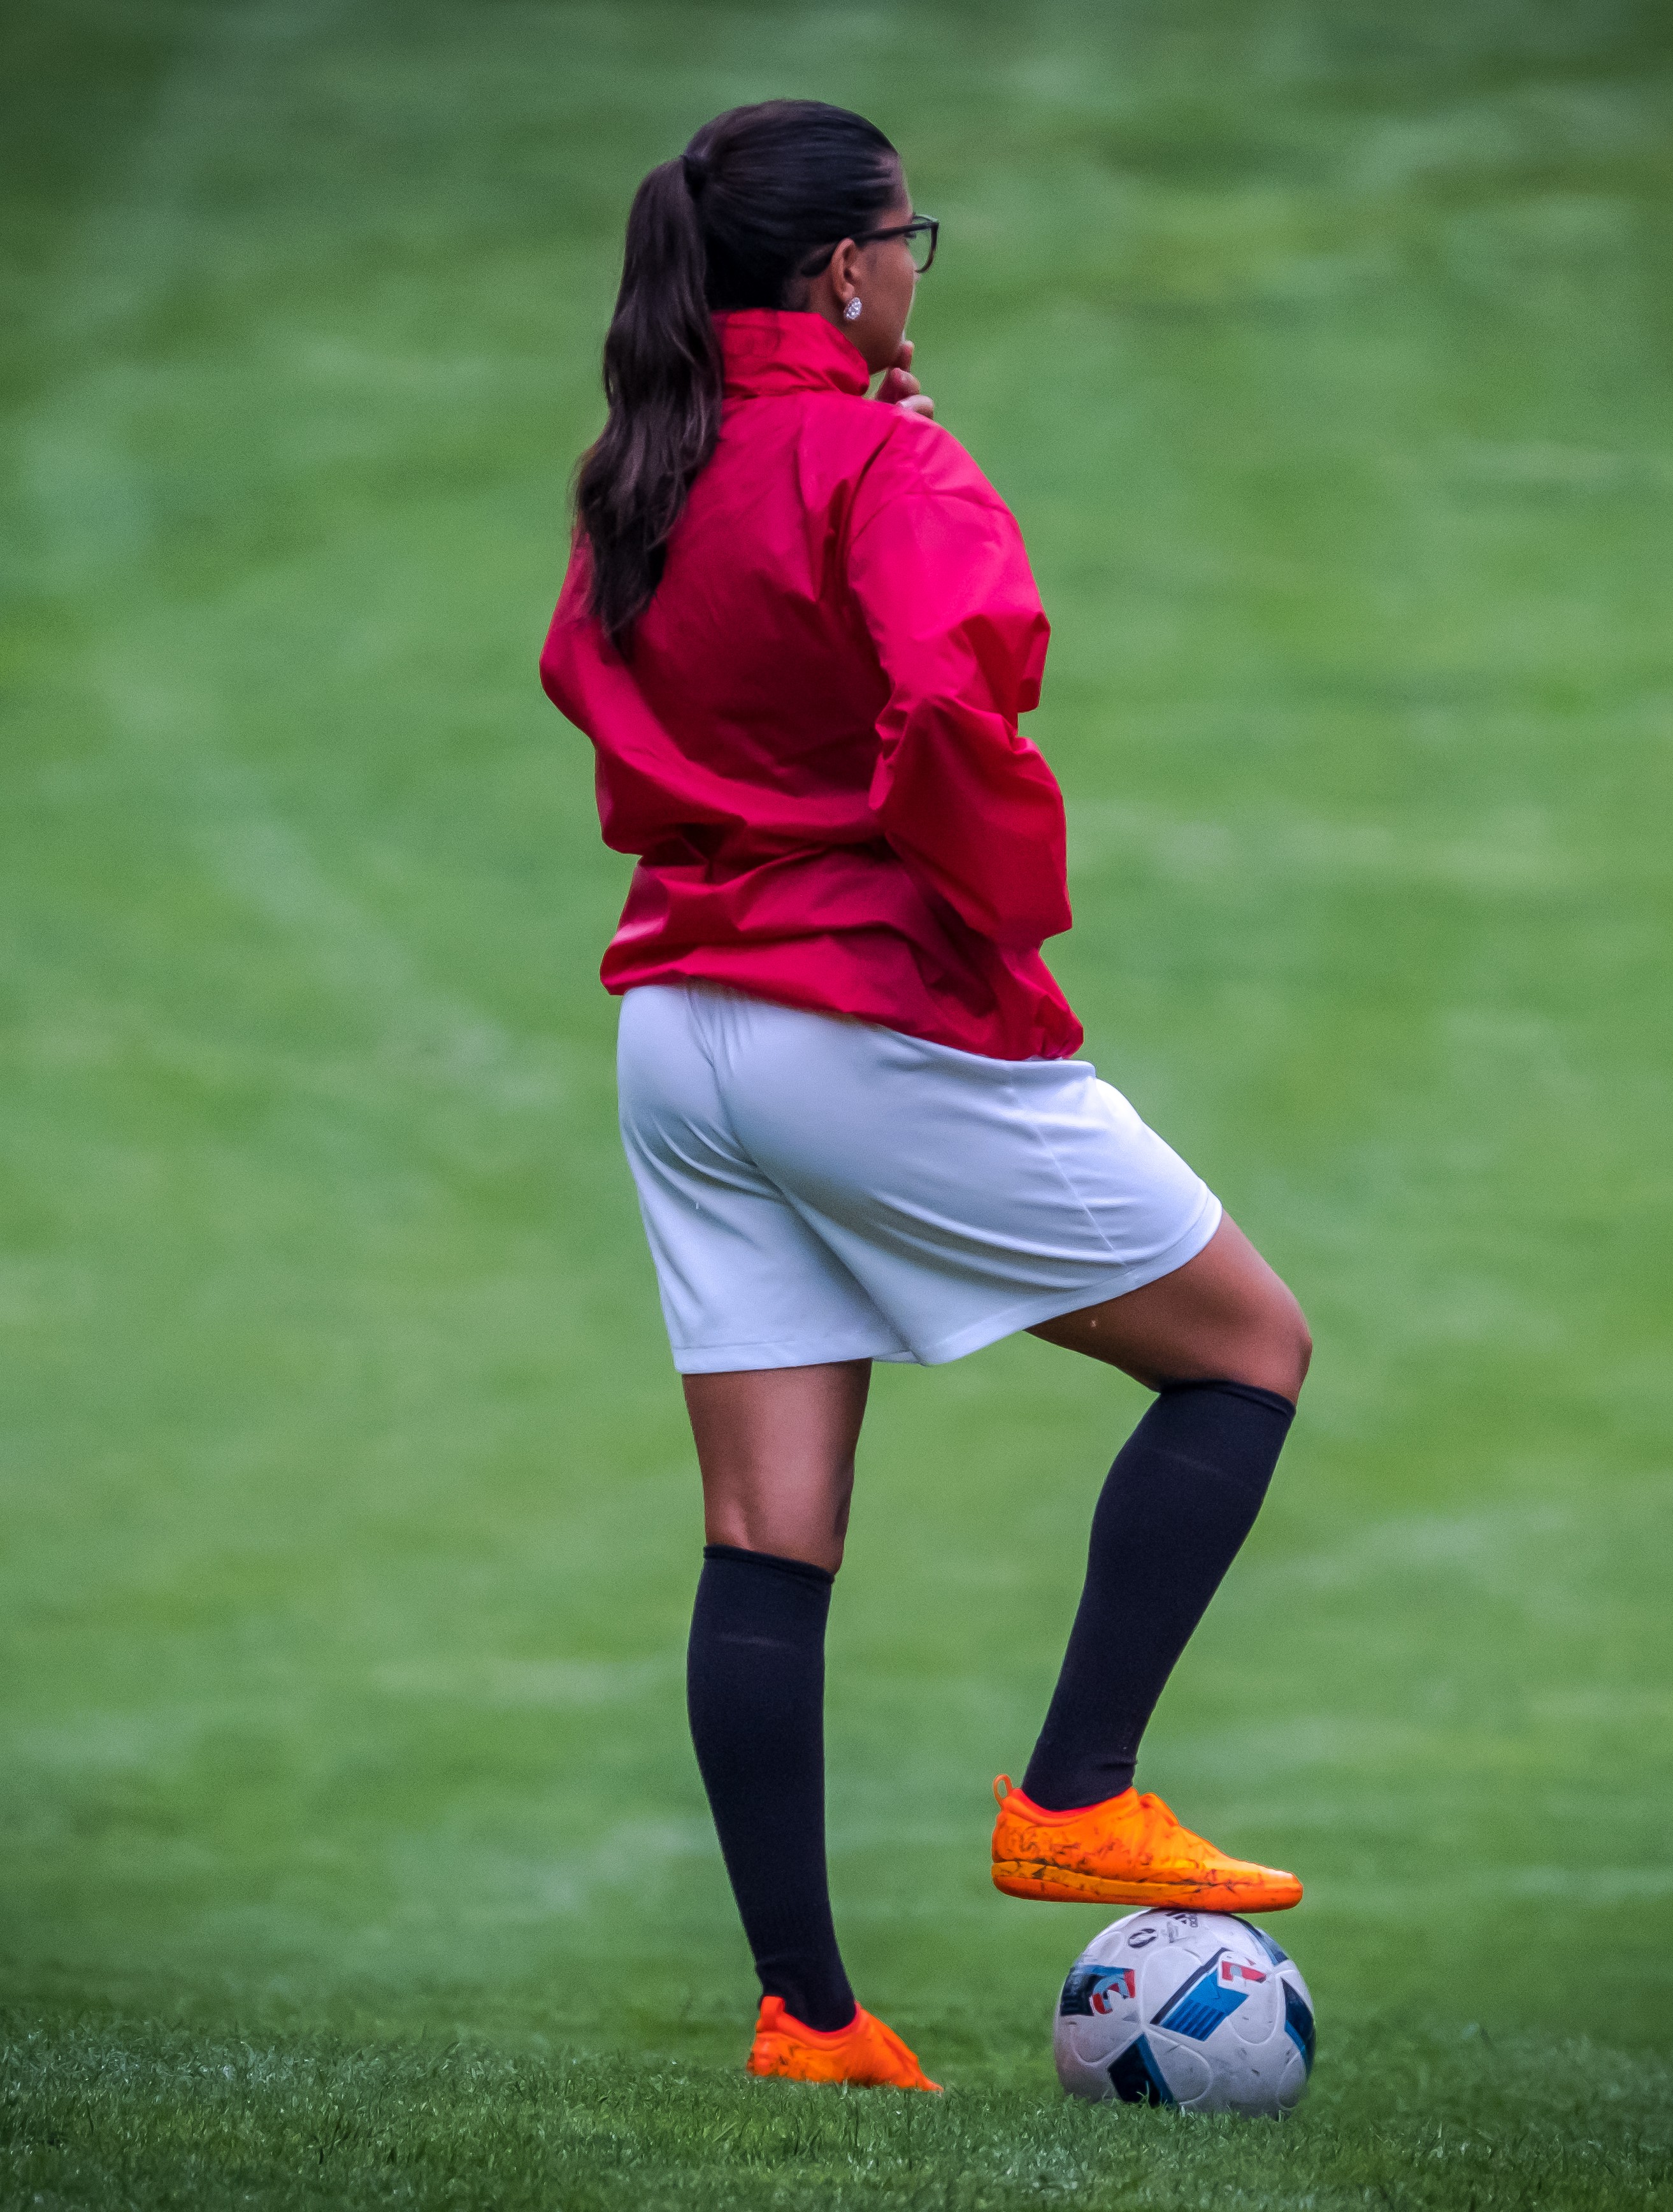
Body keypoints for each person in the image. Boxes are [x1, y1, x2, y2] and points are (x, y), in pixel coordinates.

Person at [539, 99, 1314, 2094]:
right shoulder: (886, 459)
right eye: (910, 241)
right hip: (850, 1010)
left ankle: (809, 2021)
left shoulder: (646, 460)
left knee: (765, 1525)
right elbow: (958, 689)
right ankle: (1078, 1793)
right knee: (1246, 1350)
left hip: (680, 1024)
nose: (915, 269)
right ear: (843, 269)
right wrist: (991, 921)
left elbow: (597, 675)